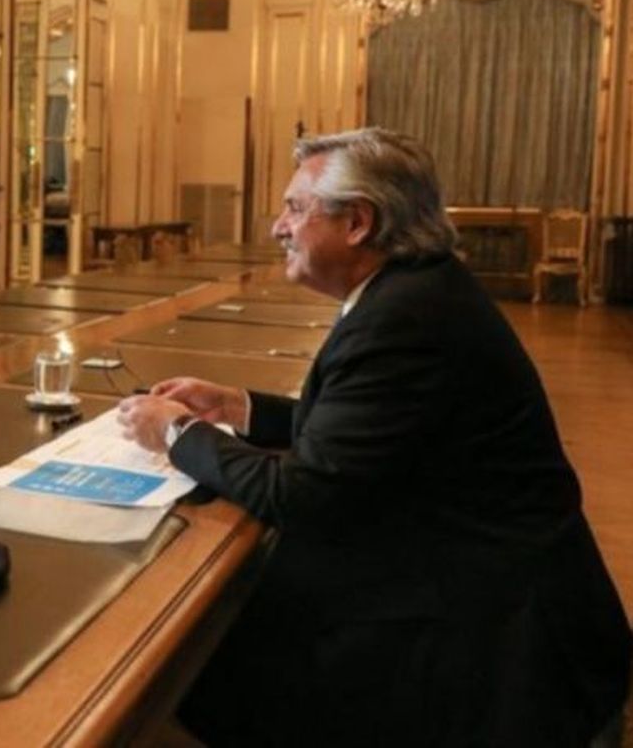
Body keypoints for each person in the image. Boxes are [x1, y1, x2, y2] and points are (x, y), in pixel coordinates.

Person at [116, 128, 631, 747]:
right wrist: (236, 407)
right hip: (465, 572)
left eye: (295, 209)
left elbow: (302, 496)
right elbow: (364, 427)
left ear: (358, 222)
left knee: (203, 663)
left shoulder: (404, 319)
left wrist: (175, 431)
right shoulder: (416, 288)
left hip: (493, 636)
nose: (278, 227)